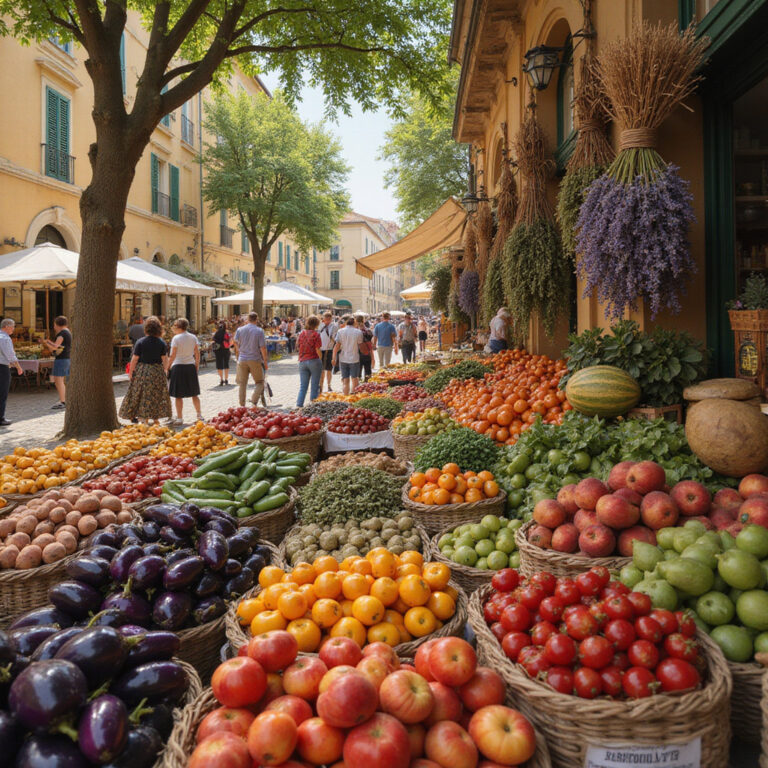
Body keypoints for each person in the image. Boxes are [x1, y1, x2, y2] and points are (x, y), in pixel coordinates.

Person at [119, 316, 172, 424]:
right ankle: (155, 418)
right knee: (156, 394)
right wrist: (165, 370)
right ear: (158, 328)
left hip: (143, 370)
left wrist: (130, 372)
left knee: (141, 394)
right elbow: (165, 359)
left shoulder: (140, 341)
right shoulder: (161, 342)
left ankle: (143, 418)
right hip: (157, 370)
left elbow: (134, 359)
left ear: (146, 328)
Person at [167, 318, 201, 424]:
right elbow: (197, 353)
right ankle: (199, 415)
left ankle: (180, 417)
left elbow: (172, 355)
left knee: (178, 395)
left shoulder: (176, 338)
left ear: (178, 327)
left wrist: (167, 366)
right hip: (190, 365)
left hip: (178, 366)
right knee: (194, 393)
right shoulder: (193, 337)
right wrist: (196, 365)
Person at [234, 311, 268, 407]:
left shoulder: (240, 330)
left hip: (242, 359)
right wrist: (265, 361)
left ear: (248, 320)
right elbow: (263, 348)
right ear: (256, 320)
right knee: (259, 382)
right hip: (255, 359)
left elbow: (235, 341)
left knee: (242, 384)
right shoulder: (259, 331)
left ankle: (242, 405)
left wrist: (239, 350)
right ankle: (253, 401)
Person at [43, 316, 72, 410]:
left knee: (58, 381)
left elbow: (55, 347)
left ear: (57, 324)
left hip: (61, 359)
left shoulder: (61, 334)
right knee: (61, 381)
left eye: (55, 325)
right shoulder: (68, 332)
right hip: (66, 358)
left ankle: (63, 401)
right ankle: (64, 399)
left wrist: (46, 343)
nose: (54, 327)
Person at [332, 316, 365, 395]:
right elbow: (361, 346)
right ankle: (353, 396)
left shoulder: (340, 331)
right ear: (354, 323)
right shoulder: (358, 332)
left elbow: (337, 346)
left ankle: (345, 396)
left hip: (343, 358)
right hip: (354, 358)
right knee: (355, 379)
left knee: (345, 380)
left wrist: (333, 358)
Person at [0, 319, 23, 426]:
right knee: (2, 392)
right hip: (2, 368)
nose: (14, 329)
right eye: (13, 326)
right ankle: (1, 418)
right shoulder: (5, 338)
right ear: (7, 326)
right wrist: (18, 367)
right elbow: (10, 355)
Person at [296, 315, 322, 406]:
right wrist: (320, 359)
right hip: (314, 360)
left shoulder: (302, 333)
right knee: (314, 385)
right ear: (316, 324)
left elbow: (297, 346)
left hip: (302, 361)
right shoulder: (316, 334)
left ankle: (299, 405)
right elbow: (317, 349)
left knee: (303, 386)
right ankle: (313, 405)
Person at [319, 311, 338, 393]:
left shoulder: (333, 326)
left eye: (328, 319)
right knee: (321, 369)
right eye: (325, 319)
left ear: (330, 319)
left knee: (329, 369)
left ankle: (329, 385)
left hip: (329, 349)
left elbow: (334, 337)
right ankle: (321, 385)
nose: (327, 321)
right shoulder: (320, 326)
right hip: (321, 350)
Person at [213, 320, 232, 386]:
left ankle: (221, 380)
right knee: (226, 364)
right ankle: (226, 380)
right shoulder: (227, 333)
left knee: (219, 364)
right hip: (226, 349)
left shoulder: (216, 333)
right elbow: (231, 341)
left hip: (218, 350)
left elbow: (213, 340)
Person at [356, 316, 373, 380]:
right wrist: (372, 356)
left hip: (357, 352)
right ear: (364, 321)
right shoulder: (368, 331)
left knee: (358, 372)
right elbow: (370, 344)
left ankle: (357, 385)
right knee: (368, 371)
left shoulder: (355, 331)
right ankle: (366, 384)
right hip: (367, 353)